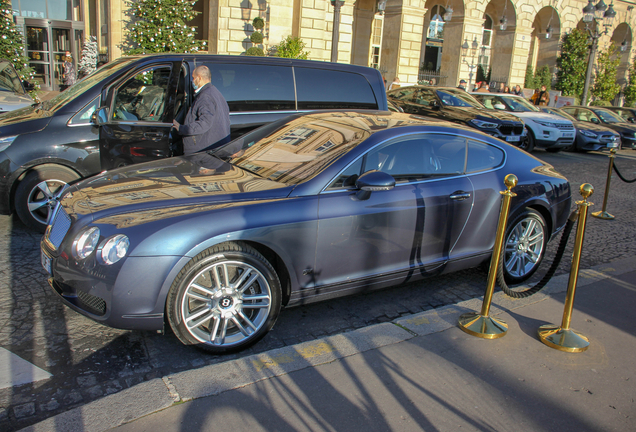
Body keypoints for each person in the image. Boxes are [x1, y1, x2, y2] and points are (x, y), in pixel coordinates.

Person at [172, 65, 231, 155]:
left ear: (199, 78)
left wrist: (181, 128)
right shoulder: (215, 93)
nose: (192, 81)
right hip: (212, 147)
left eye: (193, 78)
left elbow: (204, 123)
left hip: (203, 150)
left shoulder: (205, 97)